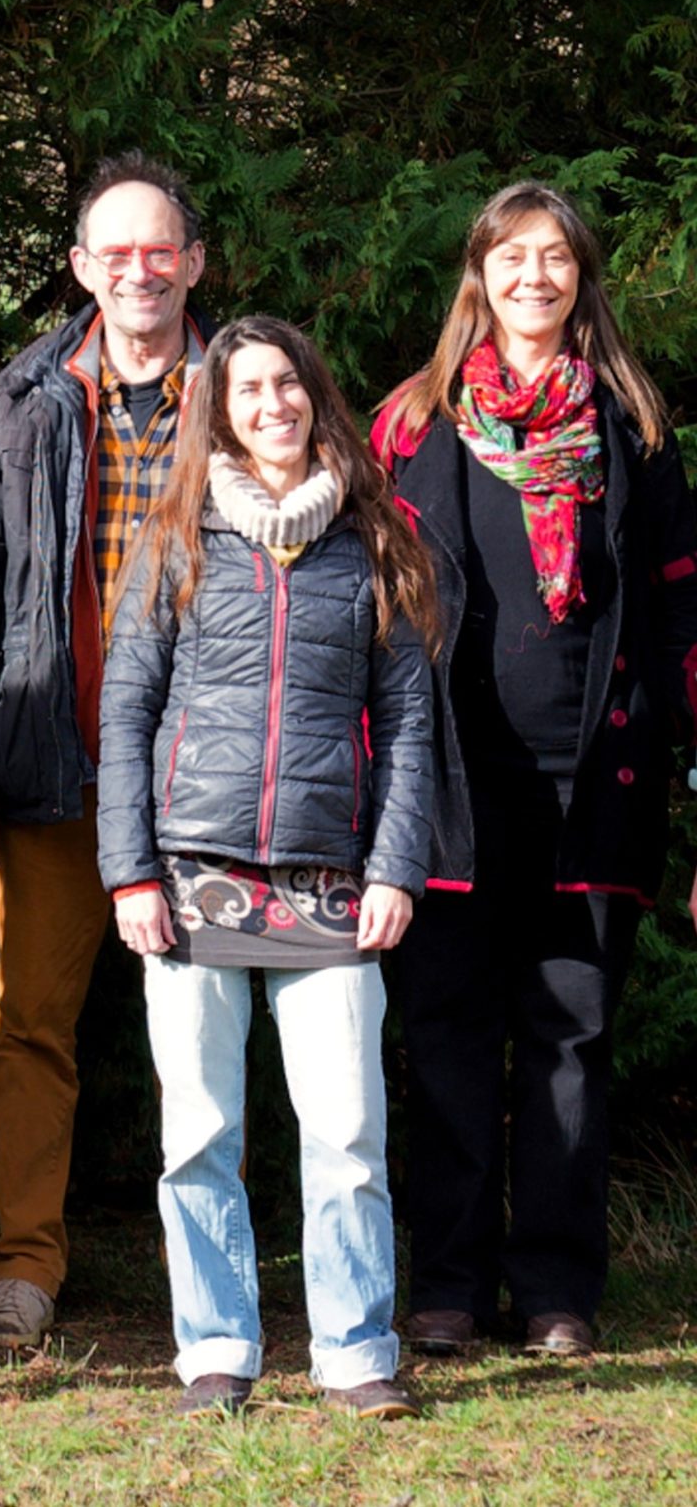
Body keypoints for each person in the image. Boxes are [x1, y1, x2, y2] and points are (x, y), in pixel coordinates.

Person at [371, 183, 697, 1359]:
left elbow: (682, 615)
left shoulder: (631, 427)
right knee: (446, 1039)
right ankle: (449, 1288)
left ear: (580, 277)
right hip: (450, 788)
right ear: (479, 274)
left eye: (555, 257)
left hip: (592, 784)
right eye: (512, 257)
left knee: (568, 1044)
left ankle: (557, 1289)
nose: (534, 277)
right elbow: (364, 611)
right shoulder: (412, 423)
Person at [101, 317, 440, 1420]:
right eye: (246, 389)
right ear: (220, 413)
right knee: (199, 1133)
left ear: (315, 395)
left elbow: (409, 722)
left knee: (346, 1133)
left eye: (287, 383)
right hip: (189, 874)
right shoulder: (175, 536)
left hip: (332, 879)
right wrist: (128, 872)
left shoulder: (372, 539)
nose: (271, 405)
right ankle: (215, 1347)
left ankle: (355, 1351)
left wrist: (395, 867)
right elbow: (125, 711)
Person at [0, 151, 211, 1349]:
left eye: (161, 249)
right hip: (53, 772)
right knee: (31, 1028)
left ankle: (211, 1278)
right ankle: (25, 1269)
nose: (140, 270)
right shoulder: (24, 399)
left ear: (194, 263)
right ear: (82, 266)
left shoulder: (248, 391)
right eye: (116, 251)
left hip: (202, 780)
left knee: (208, 1035)